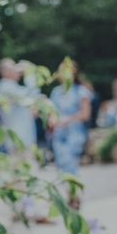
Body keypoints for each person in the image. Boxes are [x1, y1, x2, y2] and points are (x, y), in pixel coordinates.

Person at [48, 59, 92, 202]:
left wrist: (68, 119)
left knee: (70, 165)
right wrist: (52, 119)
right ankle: (70, 195)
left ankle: (73, 196)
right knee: (62, 167)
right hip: (59, 133)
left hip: (74, 132)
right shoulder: (56, 92)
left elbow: (85, 114)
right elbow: (52, 112)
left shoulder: (81, 91)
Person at [0, 58, 37, 152]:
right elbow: (32, 95)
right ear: (4, 72)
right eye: (13, 66)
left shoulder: (12, 87)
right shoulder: (6, 87)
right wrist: (29, 74)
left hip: (22, 140)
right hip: (18, 141)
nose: (17, 69)